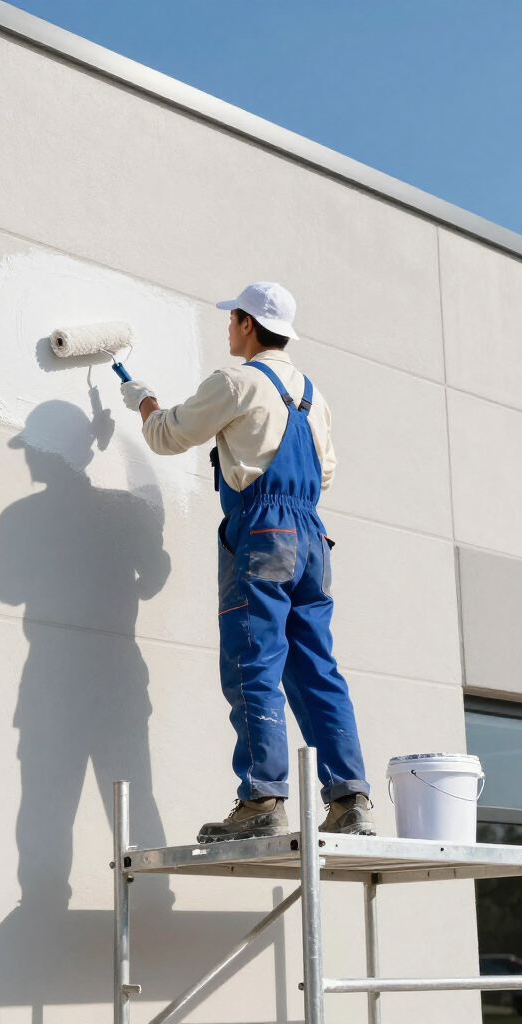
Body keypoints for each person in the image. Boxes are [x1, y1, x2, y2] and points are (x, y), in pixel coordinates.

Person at [121, 282, 373, 842]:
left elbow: (168, 436)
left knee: (253, 660)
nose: (227, 328)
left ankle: (262, 798)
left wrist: (143, 401)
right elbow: (325, 473)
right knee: (316, 667)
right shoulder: (314, 394)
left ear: (247, 324)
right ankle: (350, 799)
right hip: (310, 536)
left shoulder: (235, 382)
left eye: (231, 319)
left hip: (262, 532)